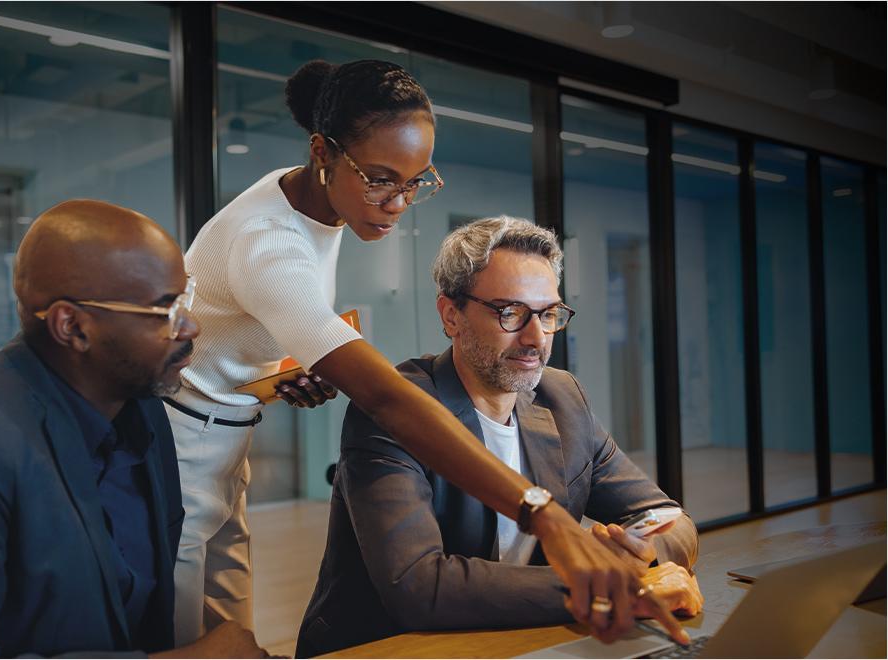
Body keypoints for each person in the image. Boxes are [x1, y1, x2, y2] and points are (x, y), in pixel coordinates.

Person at [168, 59, 684, 646]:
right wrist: (542, 514)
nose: (397, 202)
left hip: (230, 427)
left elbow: (235, 324)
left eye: (415, 182)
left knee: (228, 634)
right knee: (188, 639)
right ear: (322, 152)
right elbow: (388, 397)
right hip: (180, 440)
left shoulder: (313, 200)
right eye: (380, 178)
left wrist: (275, 370)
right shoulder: (270, 243)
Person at [0, 200, 268, 658]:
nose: (191, 326)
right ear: (72, 325)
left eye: (184, 299)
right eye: (165, 308)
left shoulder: (142, 406)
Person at [295, 216, 703, 656]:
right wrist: (605, 587)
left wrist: (644, 557)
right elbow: (418, 585)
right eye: (510, 312)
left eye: (548, 315)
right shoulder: (398, 410)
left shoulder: (563, 397)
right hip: (386, 648)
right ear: (451, 315)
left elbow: (668, 518)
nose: (536, 338)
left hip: (518, 643)